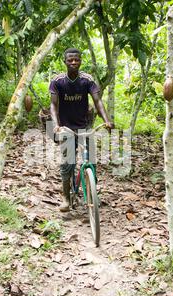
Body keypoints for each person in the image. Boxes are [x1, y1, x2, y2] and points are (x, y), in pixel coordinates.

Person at [49, 48, 114, 212]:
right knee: (67, 164)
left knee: (91, 161)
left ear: (80, 61)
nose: (73, 62)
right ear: (65, 61)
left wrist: (107, 120)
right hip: (65, 127)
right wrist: (56, 124)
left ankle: (92, 192)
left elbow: (97, 101)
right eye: (70, 60)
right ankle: (65, 197)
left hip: (84, 126)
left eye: (76, 60)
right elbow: (53, 105)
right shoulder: (58, 81)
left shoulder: (87, 80)